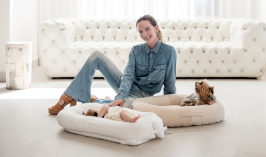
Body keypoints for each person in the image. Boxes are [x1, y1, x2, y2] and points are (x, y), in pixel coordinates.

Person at [48, 14, 177, 115]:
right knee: (97, 56)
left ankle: (96, 100)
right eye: (140, 31)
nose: (144, 34)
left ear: (156, 27)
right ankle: (67, 96)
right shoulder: (136, 50)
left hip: (142, 96)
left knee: (119, 111)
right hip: (126, 86)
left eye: (147, 29)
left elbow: (170, 84)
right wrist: (121, 96)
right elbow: (128, 76)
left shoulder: (169, 52)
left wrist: (170, 106)